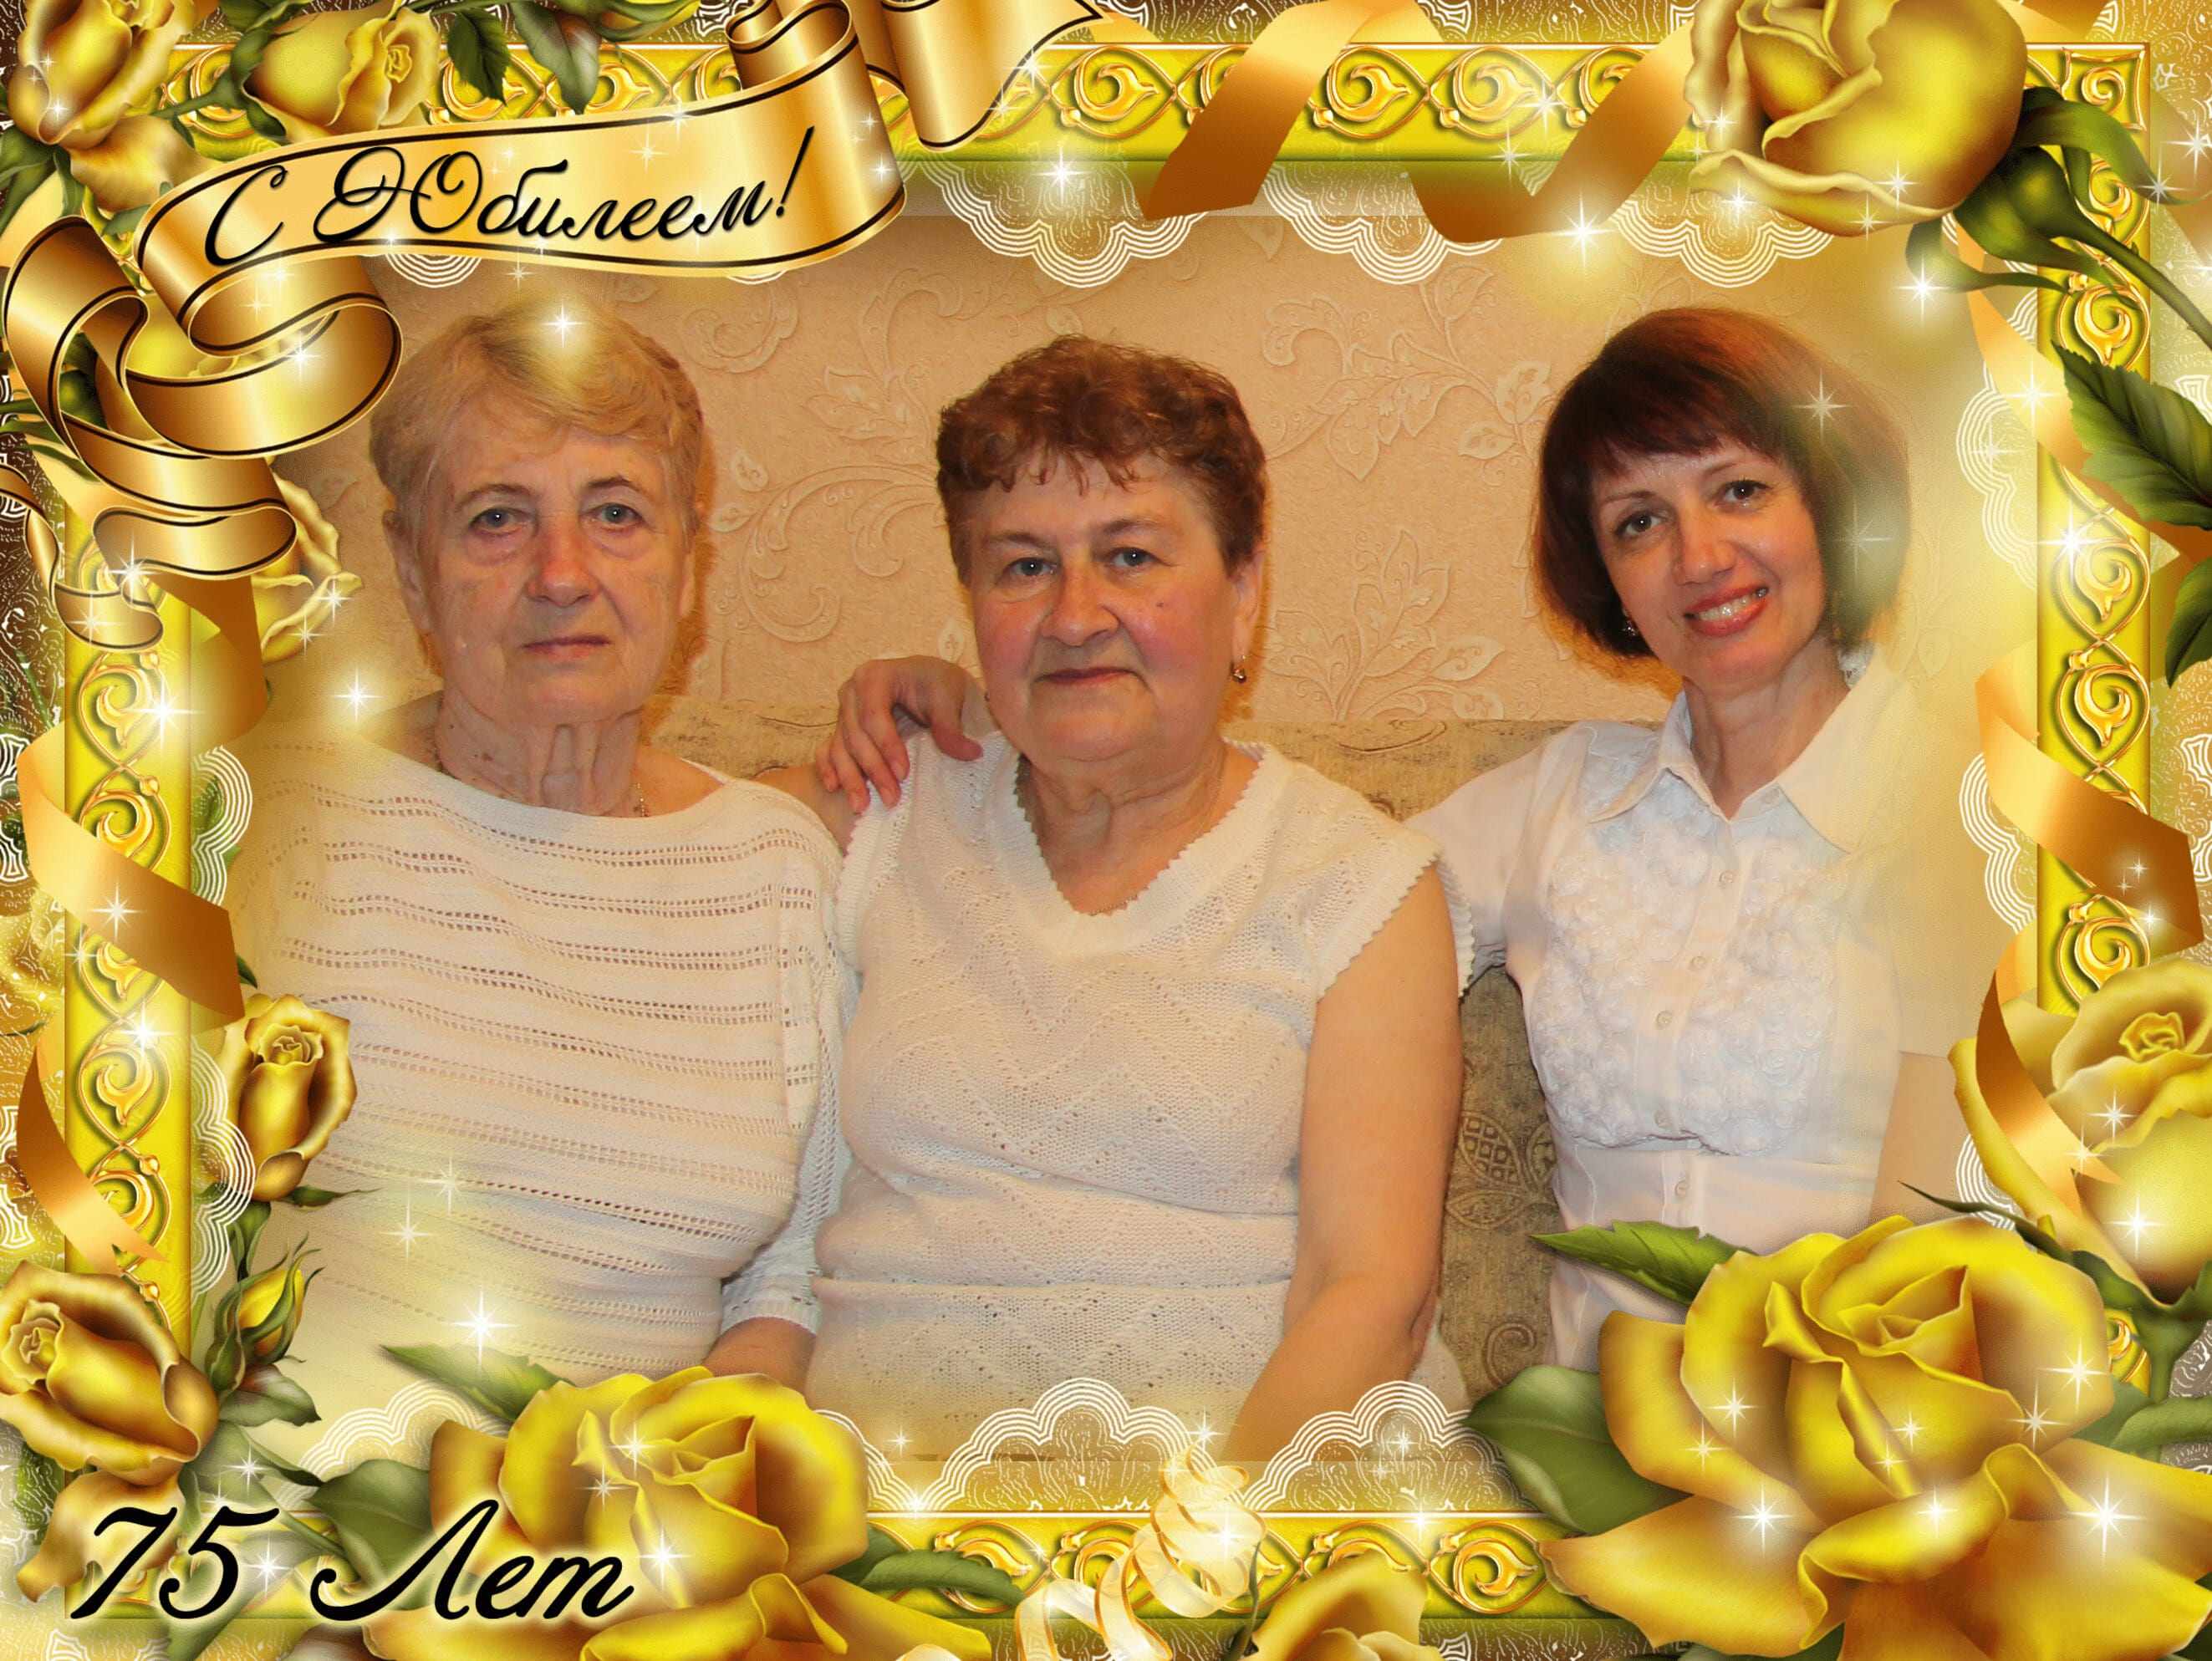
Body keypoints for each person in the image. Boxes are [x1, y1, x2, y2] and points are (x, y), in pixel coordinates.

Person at [823, 310, 1990, 1372]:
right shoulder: (1556, 806)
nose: (1698, 557)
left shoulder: (1968, 818)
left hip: (1859, 1427)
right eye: (1639, 522)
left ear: (1831, 505)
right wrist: (1007, 717)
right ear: (1608, 579)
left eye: (1738, 492)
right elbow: (1274, 879)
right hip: (1599, 1447)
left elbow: (1934, 1255)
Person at [764, 336, 1467, 1459]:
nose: (1075, 615)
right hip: (881, 1513)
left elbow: (1370, 1295)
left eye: (1130, 557)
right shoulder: (885, 809)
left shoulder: (1356, 882)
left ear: (1244, 595)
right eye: (1022, 567)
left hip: (1239, 1506)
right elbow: (630, 838)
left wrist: (1200, 1544)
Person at [234, 300, 833, 1455]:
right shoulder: (272, 824)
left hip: (630, 1520)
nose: (563, 574)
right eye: (498, 519)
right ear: (414, 572)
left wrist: (660, 1492)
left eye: (615, 513)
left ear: (688, 563)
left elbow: (791, 1279)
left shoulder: (777, 864)